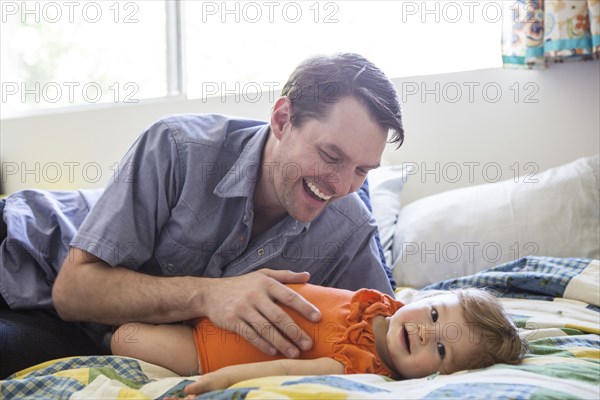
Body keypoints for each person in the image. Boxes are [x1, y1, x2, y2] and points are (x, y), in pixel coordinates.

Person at [0, 53, 405, 378]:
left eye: (362, 170)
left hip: (91, 331)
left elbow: (395, 331)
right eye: (330, 156)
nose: (341, 184)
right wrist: (210, 294)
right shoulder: (179, 147)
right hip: (28, 253)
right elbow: (73, 293)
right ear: (282, 120)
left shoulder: (349, 229)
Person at [110, 284, 527, 397]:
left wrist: (222, 378)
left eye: (440, 349)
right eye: (434, 315)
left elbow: (284, 369)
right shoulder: (379, 303)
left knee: (124, 339)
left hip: (205, 351)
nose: (424, 332)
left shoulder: (361, 366)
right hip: (229, 300)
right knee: (148, 295)